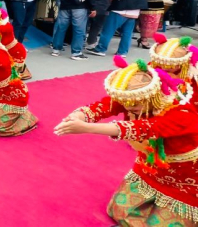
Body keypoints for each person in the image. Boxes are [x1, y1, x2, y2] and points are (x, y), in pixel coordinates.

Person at [54, 58, 198, 226]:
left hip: (184, 175)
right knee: (119, 211)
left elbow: (143, 128)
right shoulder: (135, 98)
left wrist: (87, 128)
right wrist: (79, 116)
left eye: (134, 106)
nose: (128, 108)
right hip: (149, 164)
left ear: (151, 97)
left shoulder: (181, 112)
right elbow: (105, 105)